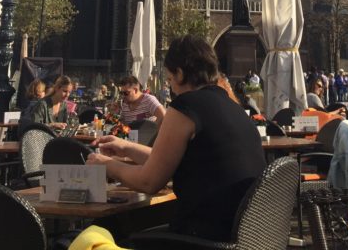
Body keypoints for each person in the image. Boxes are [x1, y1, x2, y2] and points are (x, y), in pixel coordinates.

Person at [88, 35, 266, 240]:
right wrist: (126, 147)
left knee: (107, 229)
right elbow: (167, 160)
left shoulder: (186, 107)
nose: (171, 87)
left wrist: (107, 164)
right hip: (245, 234)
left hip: (203, 236)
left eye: (170, 79)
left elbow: (149, 182)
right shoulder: (232, 107)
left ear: (180, 74)